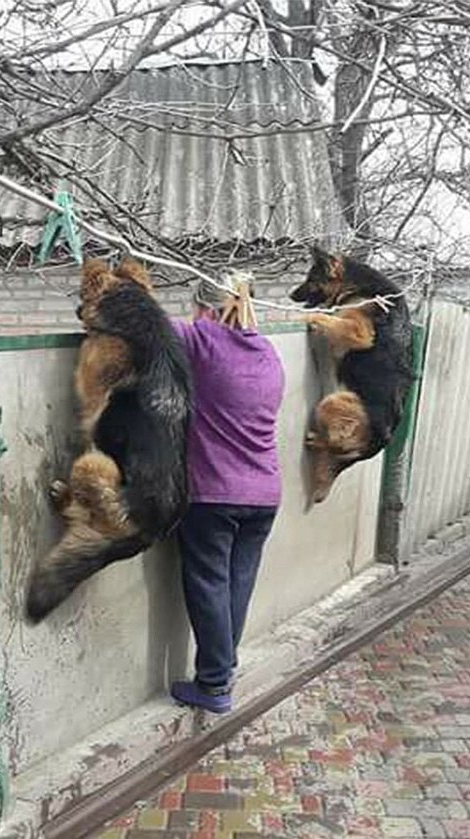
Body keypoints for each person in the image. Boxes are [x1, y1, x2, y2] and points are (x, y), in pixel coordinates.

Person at [169, 273, 286, 714]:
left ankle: (215, 684)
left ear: (207, 310)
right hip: (264, 493)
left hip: (215, 492)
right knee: (236, 583)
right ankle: (223, 670)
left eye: (194, 310)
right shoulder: (269, 353)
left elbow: (139, 322)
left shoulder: (203, 340)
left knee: (208, 583)